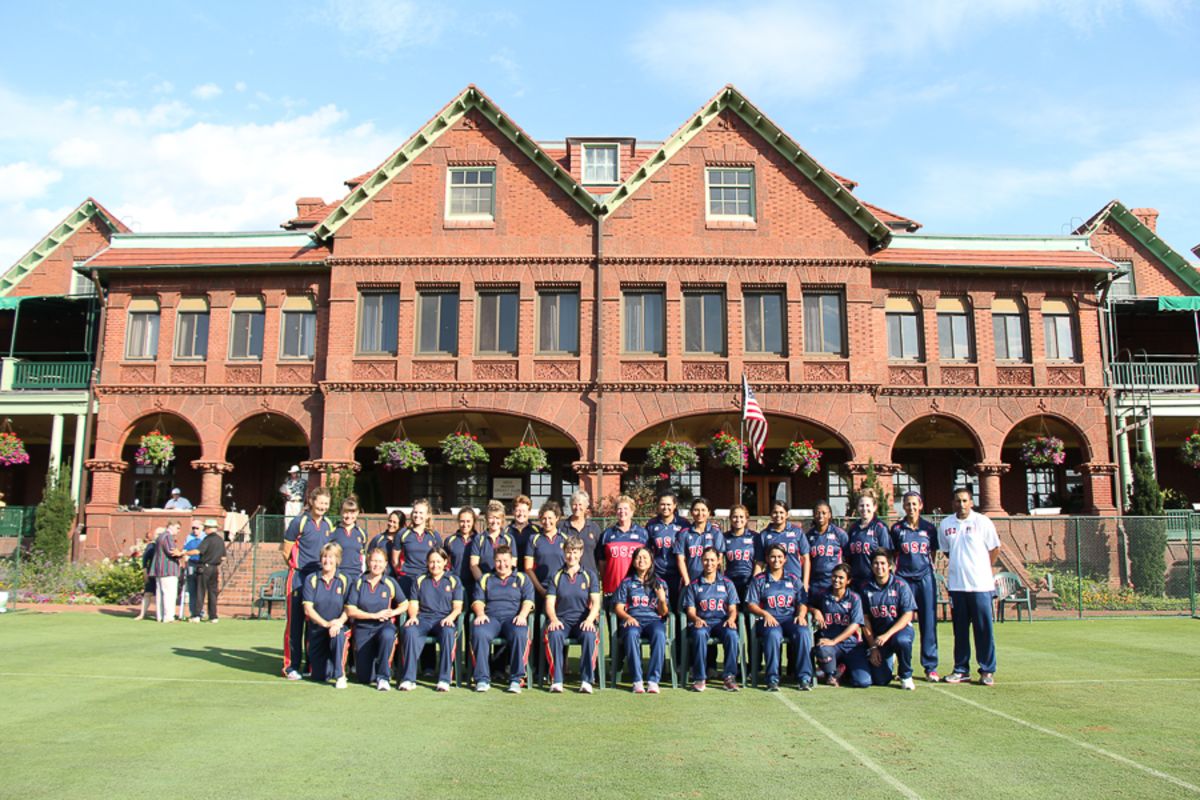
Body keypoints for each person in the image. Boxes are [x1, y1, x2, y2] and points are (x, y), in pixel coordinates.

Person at [937, 487, 1001, 686]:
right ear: (953, 503)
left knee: (984, 630)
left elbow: (994, 549)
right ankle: (961, 669)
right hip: (957, 587)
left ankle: (987, 670)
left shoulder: (982, 522)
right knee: (960, 632)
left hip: (981, 586)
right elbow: (947, 552)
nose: (961, 504)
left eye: (965, 501)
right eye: (958, 501)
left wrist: (980, 568)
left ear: (971, 502)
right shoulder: (946, 524)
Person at [281, 486, 333, 680]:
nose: (323, 506)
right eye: (320, 502)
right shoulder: (299, 521)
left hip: (318, 579)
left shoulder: (328, 524)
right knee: (295, 623)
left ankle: (312, 664)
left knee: (314, 623)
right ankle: (290, 666)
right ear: (312, 501)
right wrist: (296, 566)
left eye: (326, 503)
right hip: (299, 577)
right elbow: (286, 549)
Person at [746, 543, 813, 691]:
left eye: (779, 557)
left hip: (789, 619)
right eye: (773, 557)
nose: (776, 560)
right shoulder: (759, 579)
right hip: (768, 619)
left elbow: (802, 602)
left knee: (803, 631)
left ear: (785, 559)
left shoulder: (794, 579)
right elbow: (751, 604)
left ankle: (804, 678)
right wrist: (765, 614)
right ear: (767, 559)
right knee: (773, 634)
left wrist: (801, 615)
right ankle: (772, 678)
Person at [890, 491, 941, 681]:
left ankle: (930, 666)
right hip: (904, 580)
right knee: (902, 623)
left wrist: (926, 571)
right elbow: (894, 554)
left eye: (914, 504)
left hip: (925, 579)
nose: (911, 507)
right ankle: (903, 666)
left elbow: (932, 553)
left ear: (920, 505)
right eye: (907, 504)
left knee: (928, 623)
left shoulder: (929, 528)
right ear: (903, 506)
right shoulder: (896, 529)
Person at [470, 545, 535, 693]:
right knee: (479, 632)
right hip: (491, 619)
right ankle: (482, 679)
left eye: (505, 561)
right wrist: (480, 614)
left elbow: (529, 600)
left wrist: (522, 615)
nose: (502, 564)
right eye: (498, 561)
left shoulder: (522, 578)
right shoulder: (486, 578)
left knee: (520, 633)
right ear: (494, 561)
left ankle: (516, 679)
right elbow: (478, 601)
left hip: (512, 619)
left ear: (512, 561)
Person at [399, 548, 463, 692]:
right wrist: (413, 617)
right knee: (409, 631)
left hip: (444, 619)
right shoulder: (420, 580)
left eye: (439, 562)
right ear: (427, 563)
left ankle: (444, 679)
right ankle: (409, 679)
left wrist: (450, 618)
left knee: (448, 633)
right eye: (432, 562)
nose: (435, 565)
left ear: (445, 562)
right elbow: (413, 604)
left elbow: (458, 607)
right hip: (424, 619)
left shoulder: (453, 580)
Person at [544, 536, 602, 694]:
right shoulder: (556, 575)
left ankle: (586, 680)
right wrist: (554, 619)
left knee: (590, 635)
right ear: (564, 552)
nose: (571, 556)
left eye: (575, 552)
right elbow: (549, 603)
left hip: (583, 621)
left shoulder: (590, 575)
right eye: (568, 552)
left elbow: (596, 602)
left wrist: (590, 620)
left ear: (581, 553)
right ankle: (557, 680)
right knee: (554, 634)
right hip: (562, 620)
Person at [346, 547, 407, 691]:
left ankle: (383, 677)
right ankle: (375, 670)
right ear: (368, 562)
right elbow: (350, 610)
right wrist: (373, 615)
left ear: (386, 564)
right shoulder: (359, 583)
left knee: (388, 635)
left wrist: (392, 613)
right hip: (363, 628)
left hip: (383, 627)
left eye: (380, 561)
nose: (376, 565)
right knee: (365, 678)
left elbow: (405, 604)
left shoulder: (390, 583)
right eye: (373, 561)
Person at [682, 547, 741, 692]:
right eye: (706, 560)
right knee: (699, 634)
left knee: (732, 634)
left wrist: (732, 619)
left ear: (719, 562)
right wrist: (696, 618)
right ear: (702, 561)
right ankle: (700, 677)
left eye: (712, 560)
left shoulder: (727, 583)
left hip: (721, 622)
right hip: (702, 622)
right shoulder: (694, 585)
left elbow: (733, 608)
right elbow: (690, 610)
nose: (709, 563)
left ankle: (729, 677)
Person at [613, 546, 669, 694]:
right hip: (633, 619)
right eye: (638, 558)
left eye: (645, 558)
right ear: (633, 562)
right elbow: (618, 608)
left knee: (659, 634)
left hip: (653, 620)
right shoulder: (626, 583)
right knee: (631, 634)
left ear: (651, 561)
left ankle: (653, 680)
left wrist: (662, 599)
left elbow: (664, 613)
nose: (641, 560)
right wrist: (628, 617)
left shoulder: (660, 583)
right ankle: (637, 680)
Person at [861, 551, 917, 690]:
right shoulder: (865, 588)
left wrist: (888, 635)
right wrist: (873, 646)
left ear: (890, 566)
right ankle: (889, 660)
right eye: (875, 563)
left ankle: (906, 675)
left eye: (883, 563)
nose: (879, 567)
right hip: (879, 637)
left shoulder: (901, 585)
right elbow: (865, 619)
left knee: (901, 641)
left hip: (899, 631)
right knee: (880, 680)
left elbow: (907, 615)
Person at [812, 564, 870, 687]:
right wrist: (815, 611)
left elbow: (855, 625)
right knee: (822, 650)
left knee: (863, 682)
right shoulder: (823, 594)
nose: (836, 580)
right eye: (834, 577)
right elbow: (807, 604)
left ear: (848, 581)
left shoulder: (854, 598)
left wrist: (834, 641)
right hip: (829, 643)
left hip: (851, 645)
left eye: (841, 578)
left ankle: (843, 670)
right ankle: (831, 673)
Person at [302, 542, 351, 689]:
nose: (327, 561)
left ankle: (340, 675)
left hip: (338, 628)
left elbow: (349, 608)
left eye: (331, 557)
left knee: (338, 635)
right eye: (324, 557)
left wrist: (338, 622)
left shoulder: (345, 579)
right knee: (320, 676)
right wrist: (325, 624)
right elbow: (308, 609)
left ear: (337, 560)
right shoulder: (311, 579)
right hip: (318, 629)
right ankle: (330, 666)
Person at [597, 495, 649, 599]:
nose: (622, 511)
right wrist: (605, 582)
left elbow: (648, 562)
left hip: (635, 589)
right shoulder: (607, 534)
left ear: (632, 512)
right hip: (612, 587)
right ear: (616, 512)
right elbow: (602, 563)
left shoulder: (642, 533)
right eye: (619, 509)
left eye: (626, 509)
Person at [757, 499, 810, 589]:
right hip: (773, 581)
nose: (778, 515)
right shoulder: (764, 535)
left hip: (795, 580)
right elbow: (759, 562)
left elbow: (806, 559)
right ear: (770, 514)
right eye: (775, 512)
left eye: (781, 512)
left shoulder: (797, 532)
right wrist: (756, 583)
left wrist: (805, 583)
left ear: (787, 514)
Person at [674, 497, 726, 590]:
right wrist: (687, 581)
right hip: (690, 580)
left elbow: (719, 559)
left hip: (711, 581)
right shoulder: (684, 533)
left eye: (703, 510)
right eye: (696, 510)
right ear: (691, 512)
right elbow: (680, 559)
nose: (700, 513)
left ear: (709, 512)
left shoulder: (716, 532)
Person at [845, 490, 892, 589]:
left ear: (874, 507)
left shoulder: (880, 528)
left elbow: (887, 556)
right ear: (857, 507)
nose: (864, 509)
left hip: (873, 580)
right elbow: (848, 556)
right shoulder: (853, 528)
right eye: (861, 506)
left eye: (867, 505)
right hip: (855, 580)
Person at [645, 493, 685, 609]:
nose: (665, 507)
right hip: (658, 572)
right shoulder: (652, 524)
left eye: (669, 504)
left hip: (678, 574)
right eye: (662, 504)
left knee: (678, 608)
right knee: (658, 606)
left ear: (674, 506)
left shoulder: (683, 524)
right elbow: (647, 550)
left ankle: (678, 628)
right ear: (658, 506)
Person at [524, 502, 566, 605]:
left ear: (557, 518)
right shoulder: (533, 539)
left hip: (561, 589)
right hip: (539, 589)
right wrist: (541, 589)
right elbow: (528, 568)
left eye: (550, 518)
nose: (547, 521)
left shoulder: (565, 539)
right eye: (544, 518)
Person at [394, 498, 439, 596]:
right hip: (407, 578)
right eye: (415, 512)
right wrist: (402, 572)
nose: (417, 515)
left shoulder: (434, 535)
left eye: (421, 513)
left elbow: (439, 558)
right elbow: (395, 560)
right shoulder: (402, 533)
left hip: (427, 578)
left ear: (427, 516)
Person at [807, 500, 848, 598]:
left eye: (824, 513)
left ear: (829, 515)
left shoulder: (839, 534)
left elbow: (848, 557)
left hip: (833, 582)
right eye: (817, 513)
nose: (820, 516)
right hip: (815, 583)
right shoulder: (808, 536)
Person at [470, 500, 516, 584]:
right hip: (484, 583)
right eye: (491, 518)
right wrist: (483, 583)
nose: (494, 521)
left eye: (497, 518)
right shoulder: (479, 539)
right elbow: (474, 565)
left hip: (504, 584)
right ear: (486, 519)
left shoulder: (509, 539)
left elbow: (512, 564)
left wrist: (504, 583)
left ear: (502, 520)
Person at [559, 490, 602, 576]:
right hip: (567, 576)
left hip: (590, 577)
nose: (577, 507)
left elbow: (600, 557)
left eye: (580, 504)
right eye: (574, 504)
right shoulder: (561, 527)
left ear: (586, 507)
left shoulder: (594, 528)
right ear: (571, 506)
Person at [192, 518, 226, 623]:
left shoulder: (207, 539)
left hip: (204, 567)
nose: (204, 529)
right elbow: (223, 557)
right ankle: (213, 616)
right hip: (214, 568)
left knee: (200, 591)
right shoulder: (220, 540)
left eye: (206, 527)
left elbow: (198, 551)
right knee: (212, 593)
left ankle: (197, 615)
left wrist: (184, 553)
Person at [148, 523, 183, 623]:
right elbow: (172, 551)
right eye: (177, 528)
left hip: (159, 569)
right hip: (168, 569)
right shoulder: (168, 536)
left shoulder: (160, 536)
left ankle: (160, 616)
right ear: (171, 526)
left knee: (160, 594)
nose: (179, 530)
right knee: (169, 594)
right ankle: (168, 617)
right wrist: (181, 554)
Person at [723, 505, 757, 603]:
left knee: (748, 611)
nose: (738, 520)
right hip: (730, 581)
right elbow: (719, 560)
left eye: (741, 517)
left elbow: (759, 562)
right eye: (735, 517)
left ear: (746, 519)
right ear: (730, 519)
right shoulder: (724, 537)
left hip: (749, 579)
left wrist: (754, 580)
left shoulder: (754, 537)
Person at [332, 497, 368, 584]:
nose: (349, 516)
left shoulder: (362, 533)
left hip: (356, 577)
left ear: (358, 513)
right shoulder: (333, 531)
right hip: (338, 576)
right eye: (346, 512)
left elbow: (362, 555)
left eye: (352, 513)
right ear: (340, 512)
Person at [444, 507, 478, 599]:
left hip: (474, 583)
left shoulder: (479, 539)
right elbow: (445, 563)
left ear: (473, 522)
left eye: (468, 521)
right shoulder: (450, 540)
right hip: (456, 583)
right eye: (462, 521)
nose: (465, 524)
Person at [368, 510, 406, 579]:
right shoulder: (378, 539)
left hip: (400, 579)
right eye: (390, 521)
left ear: (401, 524)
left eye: (394, 522)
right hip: (381, 579)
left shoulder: (405, 540)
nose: (391, 524)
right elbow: (369, 557)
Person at [506, 494, 540, 562]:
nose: (521, 514)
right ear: (513, 511)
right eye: (518, 510)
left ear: (529, 512)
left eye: (524, 511)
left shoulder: (537, 531)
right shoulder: (505, 531)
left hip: (531, 571)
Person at [181, 520, 204, 620]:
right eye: (193, 528)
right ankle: (192, 611)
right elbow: (185, 551)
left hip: (201, 565)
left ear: (201, 528)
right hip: (191, 564)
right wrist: (185, 559)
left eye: (197, 528)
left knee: (200, 589)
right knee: (191, 588)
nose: (194, 530)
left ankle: (199, 611)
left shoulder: (205, 538)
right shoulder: (189, 538)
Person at [134, 532, 157, 620]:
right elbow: (145, 559)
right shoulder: (151, 546)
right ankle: (142, 614)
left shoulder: (167, 544)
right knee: (147, 593)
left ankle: (159, 614)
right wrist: (145, 571)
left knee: (158, 595)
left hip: (161, 573)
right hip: (152, 572)